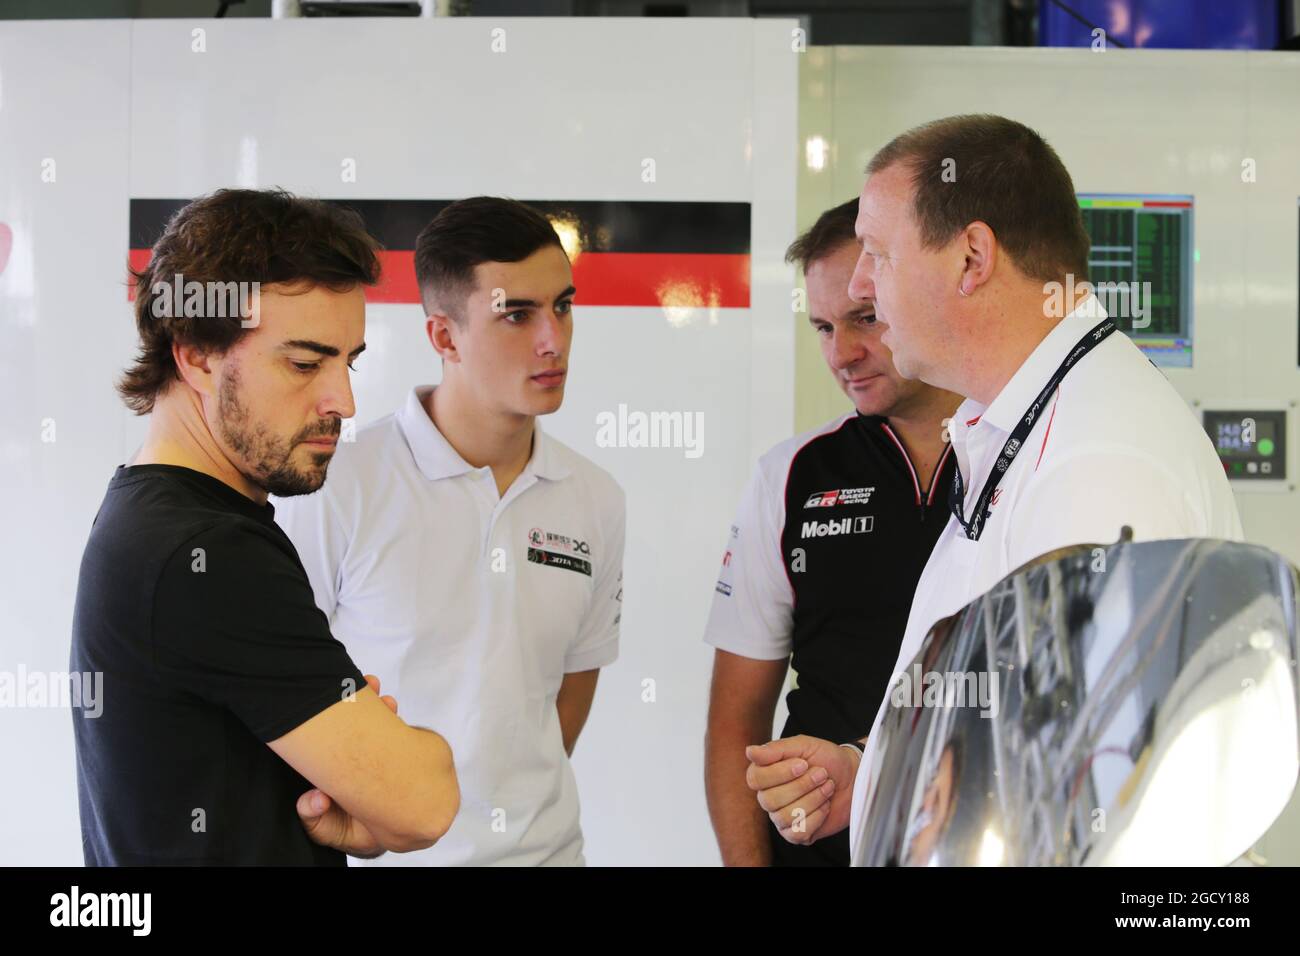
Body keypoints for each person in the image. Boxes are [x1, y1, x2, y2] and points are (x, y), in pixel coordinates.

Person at [746, 114, 1243, 862]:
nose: (861, 286)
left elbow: (1094, 805)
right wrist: (870, 772)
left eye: (878, 254)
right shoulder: (1020, 424)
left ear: (972, 257)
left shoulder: (1097, 458)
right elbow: (1006, 716)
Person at [70, 188, 460, 865]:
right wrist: (389, 778)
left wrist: (359, 784)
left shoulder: (151, 514)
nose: (342, 401)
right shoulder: (208, 552)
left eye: (349, 361)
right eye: (305, 363)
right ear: (195, 353)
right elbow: (424, 804)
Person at [275, 197, 626, 866]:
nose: (552, 338)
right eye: (516, 315)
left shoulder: (597, 499)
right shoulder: (336, 485)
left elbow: (562, 700)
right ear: (444, 337)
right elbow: (282, 697)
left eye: (563, 305)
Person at [703, 198, 961, 866]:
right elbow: (736, 724)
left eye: (864, 319)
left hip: (982, 839)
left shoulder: (1027, 457)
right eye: (822, 327)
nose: (841, 353)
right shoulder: (789, 476)